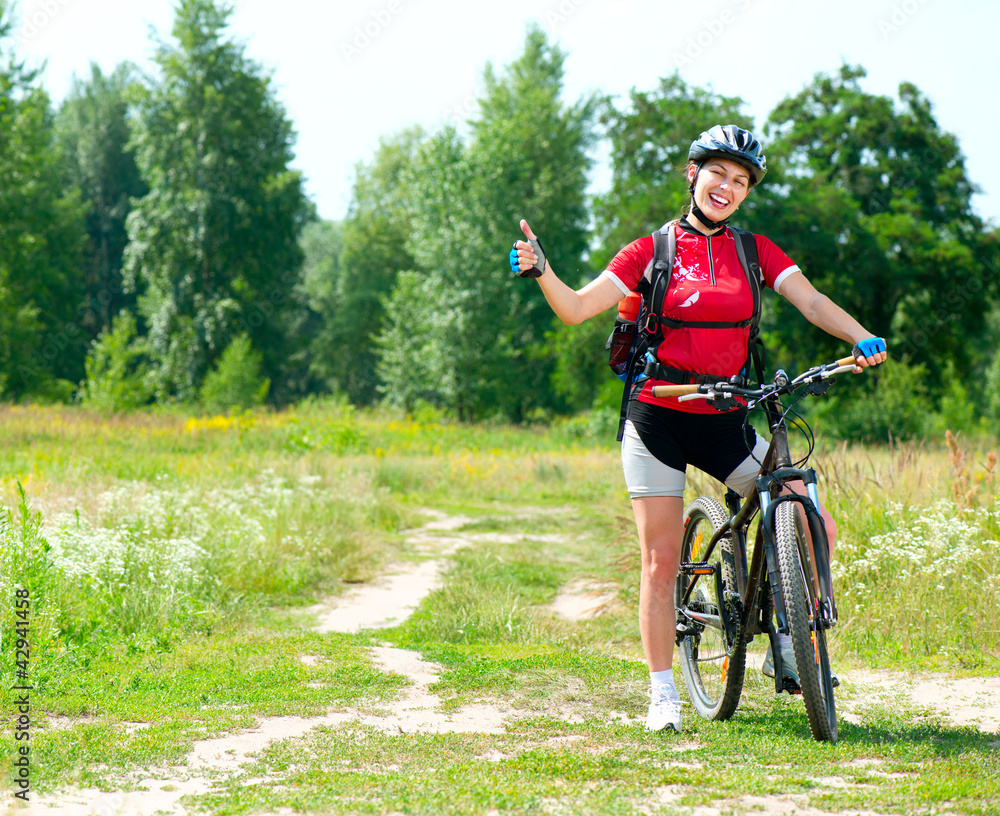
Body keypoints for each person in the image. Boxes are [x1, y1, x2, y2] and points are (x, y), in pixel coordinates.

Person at [509, 124, 887, 734]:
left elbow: (812, 301)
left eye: (740, 181)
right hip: (657, 417)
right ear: (693, 174)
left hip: (725, 417)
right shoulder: (648, 252)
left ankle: (790, 643)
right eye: (718, 173)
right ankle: (663, 695)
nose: (727, 187)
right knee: (660, 563)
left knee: (812, 515)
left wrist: (858, 335)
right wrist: (543, 270)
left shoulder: (754, 251)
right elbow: (577, 307)